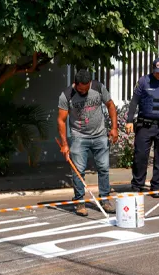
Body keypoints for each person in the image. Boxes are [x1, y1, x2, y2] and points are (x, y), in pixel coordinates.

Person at [57, 69, 118, 216]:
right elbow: (61, 120)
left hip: (100, 135)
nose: (83, 91)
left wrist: (114, 128)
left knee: (103, 168)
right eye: (80, 89)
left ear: (90, 83)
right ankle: (79, 201)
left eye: (86, 88)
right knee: (78, 171)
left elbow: (110, 105)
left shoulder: (98, 87)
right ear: (75, 84)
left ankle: (105, 199)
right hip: (79, 136)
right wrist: (65, 144)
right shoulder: (67, 95)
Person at [125, 58, 159, 198]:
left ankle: (156, 186)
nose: (158, 74)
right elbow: (134, 102)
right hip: (145, 125)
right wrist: (129, 120)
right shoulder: (143, 81)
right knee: (140, 156)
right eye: (156, 72)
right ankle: (137, 184)